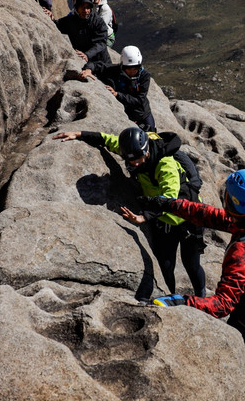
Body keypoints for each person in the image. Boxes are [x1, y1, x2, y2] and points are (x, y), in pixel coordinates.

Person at [142, 169, 245, 401]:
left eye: (228, 194)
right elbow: (211, 216)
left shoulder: (244, 252)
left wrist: (180, 302)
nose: (224, 196)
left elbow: (223, 305)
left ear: (233, 201)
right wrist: (170, 204)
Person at [52, 127, 206, 297]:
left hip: (188, 217)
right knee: (166, 265)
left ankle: (202, 298)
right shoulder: (133, 150)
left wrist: (144, 217)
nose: (136, 164)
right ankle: (171, 297)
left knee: (192, 264)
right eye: (131, 161)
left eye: (139, 160)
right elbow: (109, 140)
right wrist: (79, 134)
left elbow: (170, 198)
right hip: (165, 222)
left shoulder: (164, 164)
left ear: (146, 149)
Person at [56, 0, 109, 78]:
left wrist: (87, 54)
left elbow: (101, 43)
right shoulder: (70, 21)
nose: (85, 11)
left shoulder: (98, 22)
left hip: (100, 62)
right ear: (76, 7)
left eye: (88, 7)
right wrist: (49, 17)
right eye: (82, 7)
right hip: (83, 61)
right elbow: (56, 25)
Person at [101, 46, 154, 130]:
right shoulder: (116, 70)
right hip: (126, 114)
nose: (132, 71)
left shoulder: (144, 75)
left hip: (142, 114)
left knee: (151, 134)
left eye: (135, 68)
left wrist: (117, 94)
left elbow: (139, 99)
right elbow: (99, 66)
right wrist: (88, 69)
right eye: (129, 68)